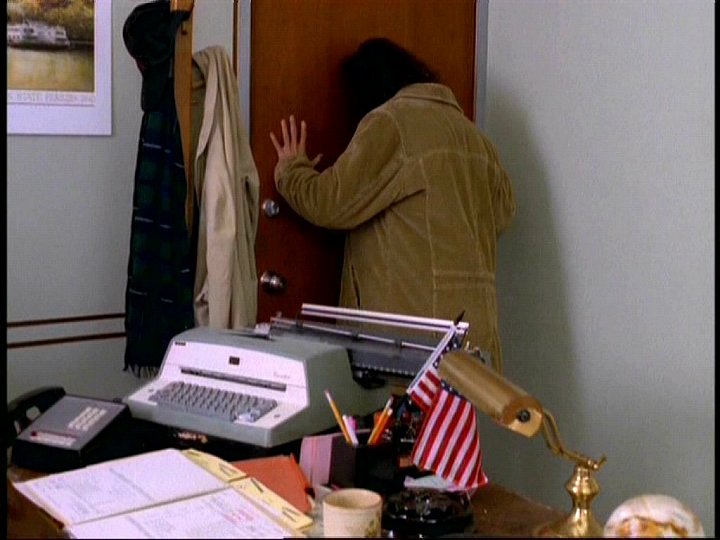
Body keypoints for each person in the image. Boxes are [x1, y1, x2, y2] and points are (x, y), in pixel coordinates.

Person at [270, 38, 515, 373]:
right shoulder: (477, 140)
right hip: (475, 336)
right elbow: (503, 214)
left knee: (406, 411)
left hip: (416, 341)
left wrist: (291, 171)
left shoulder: (392, 124)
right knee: (463, 410)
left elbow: (331, 202)